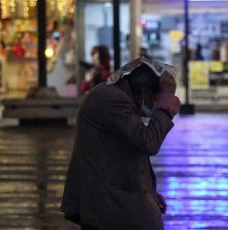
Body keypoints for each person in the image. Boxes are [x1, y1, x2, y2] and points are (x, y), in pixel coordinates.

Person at [61, 57, 181, 230]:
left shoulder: (114, 97)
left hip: (115, 204)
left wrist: (149, 191)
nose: (153, 104)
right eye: (153, 98)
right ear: (143, 90)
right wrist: (166, 107)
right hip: (110, 208)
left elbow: (127, 150)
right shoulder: (111, 100)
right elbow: (148, 142)